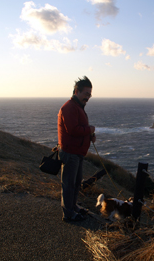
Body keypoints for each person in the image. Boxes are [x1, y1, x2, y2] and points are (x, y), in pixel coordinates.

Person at [57, 76, 96, 222]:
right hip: (70, 153)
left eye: (89, 94)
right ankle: (68, 214)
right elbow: (73, 130)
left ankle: (73, 207)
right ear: (76, 91)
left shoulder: (77, 107)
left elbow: (80, 129)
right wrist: (90, 129)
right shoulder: (69, 107)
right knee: (68, 184)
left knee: (75, 182)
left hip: (77, 153)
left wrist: (90, 135)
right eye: (86, 93)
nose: (88, 97)